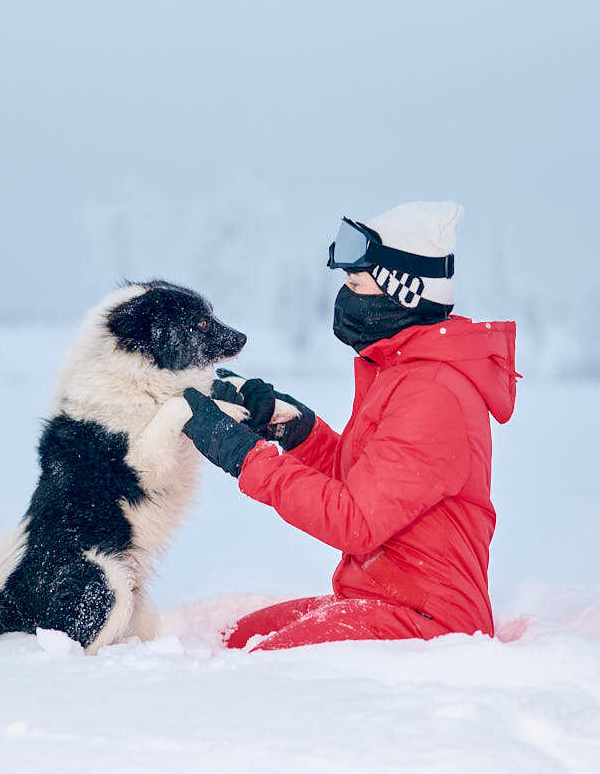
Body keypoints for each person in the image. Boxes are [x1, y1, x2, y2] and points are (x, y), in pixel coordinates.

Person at [180, 201, 518, 652]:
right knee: (232, 639)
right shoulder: (402, 373)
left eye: (355, 283)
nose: (345, 297)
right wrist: (298, 431)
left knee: (257, 666)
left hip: (428, 621)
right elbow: (372, 487)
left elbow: (356, 521)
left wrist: (244, 457)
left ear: (404, 289)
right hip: (382, 599)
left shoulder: (434, 391)